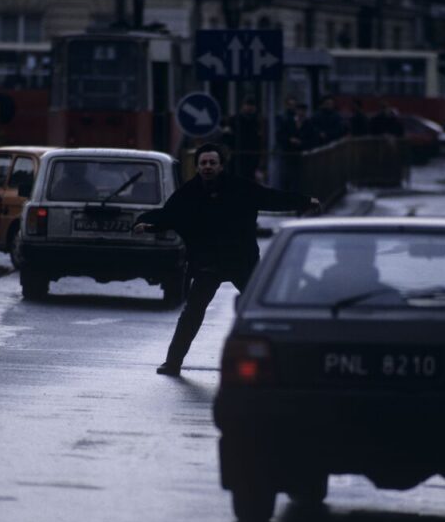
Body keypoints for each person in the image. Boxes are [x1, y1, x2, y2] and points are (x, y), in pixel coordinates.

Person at [132, 143, 321, 376]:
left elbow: (271, 198)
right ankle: (173, 362)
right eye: (203, 163)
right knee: (192, 313)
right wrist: (146, 223)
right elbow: (170, 215)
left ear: (221, 166)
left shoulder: (239, 188)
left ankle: (287, 362)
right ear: (197, 166)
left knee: (261, 310)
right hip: (208, 264)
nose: (208, 167)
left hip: (241, 261)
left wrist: (304, 202)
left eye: (212, 163)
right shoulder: (189, 192)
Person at [230, 96, 264, 182]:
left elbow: (259, 139)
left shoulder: (257, 120)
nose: (250, 108)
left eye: (252, 105)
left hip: (252, 154)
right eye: (248, 105)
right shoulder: (235, 119)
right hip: (237, 154)